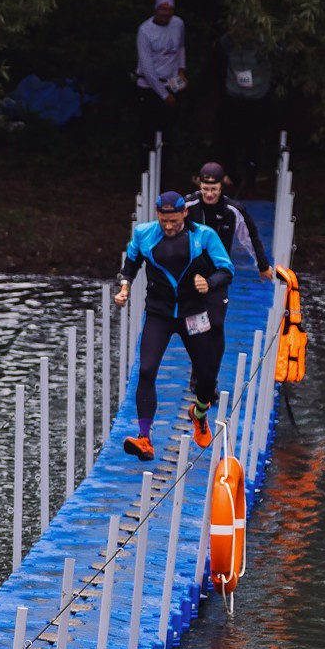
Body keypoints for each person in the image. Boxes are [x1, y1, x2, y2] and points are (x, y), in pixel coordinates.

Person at [113, 189, 233, 459]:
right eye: (163, 221)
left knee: (206, 376)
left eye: (174, 222)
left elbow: (227, 270)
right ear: (157, 216)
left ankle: (198, 414)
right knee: (146, 370)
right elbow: (130, 264)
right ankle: (144, 438)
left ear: (184, 214)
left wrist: (209, 283)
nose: (168, 227)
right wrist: (124, 288)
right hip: (160, 312)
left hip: (193, 312)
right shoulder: (144, 234)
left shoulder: (203, 236)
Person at [183, 159, 273, 316]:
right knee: (192, 320)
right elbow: (168, 229)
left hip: (219, 270)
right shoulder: (187, 205)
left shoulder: (233, 210)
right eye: (205, 189)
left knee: (215, 320)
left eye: (214, 189)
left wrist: (263, 265)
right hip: (191, 269)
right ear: (199, 185)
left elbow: (250, 236)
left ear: (222, 186)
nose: (209, 194)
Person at [135, 0, 186, 105]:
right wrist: (164, 95)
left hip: (172, 82)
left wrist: (181, 71)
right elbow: (147, 68)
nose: (166, 13)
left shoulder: (178, 23)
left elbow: (180, 47)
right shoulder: (145, 30)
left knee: (172, 119)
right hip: (150, 86)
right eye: (162, 9)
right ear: (156, 9)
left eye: (170, 9)